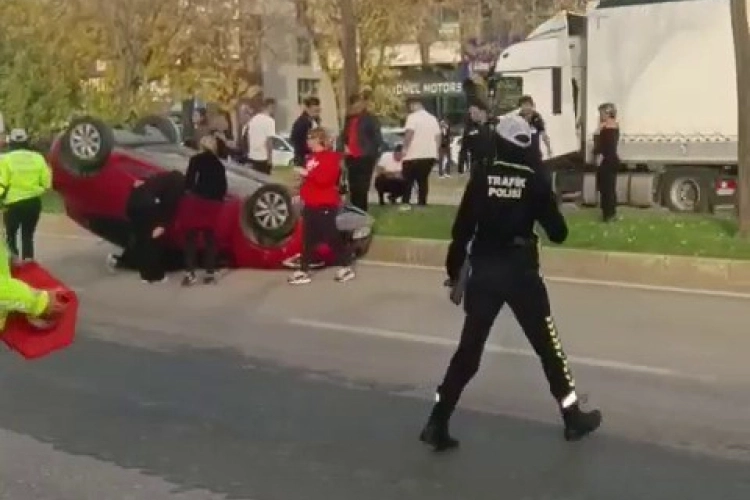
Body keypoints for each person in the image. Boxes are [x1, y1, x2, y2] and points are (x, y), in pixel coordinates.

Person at [420, 114, 602, 452]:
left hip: (485, 271)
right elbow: (559, 233)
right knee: (548, 346)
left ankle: (437, 421)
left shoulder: (481, 177)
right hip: (521, 274)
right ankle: (572, 416)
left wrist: (454, 268)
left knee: (468, 352)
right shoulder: (534, 180)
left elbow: (462, 229)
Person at [288, 127, 355, 285]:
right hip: (311, 203)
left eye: (311, 138)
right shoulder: (311, 158)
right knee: (308, 239)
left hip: (325, 204)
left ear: (320, 140)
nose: (308, 141)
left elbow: (326, 180)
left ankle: (346, 265)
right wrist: (299, 194)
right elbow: (309, 182)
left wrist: (307, 173)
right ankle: (303, 270)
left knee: (330, 237)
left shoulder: (331, 158)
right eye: (308, 138)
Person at [108, 170, 185, 283]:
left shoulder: (158, 179)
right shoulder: (178, 183)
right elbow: (169, 204)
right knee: (152, 241)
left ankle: (137, 269)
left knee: (141, 239)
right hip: (147, 205)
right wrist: (162, 225)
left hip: (132, 204)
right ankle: (154, 276)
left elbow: (137, 185)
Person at [182, 135, 228, 286]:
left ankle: (190, 273)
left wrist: (190, 192)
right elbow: (223, 187)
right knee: (210, 238)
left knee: (191, 237)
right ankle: (209, 273)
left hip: (198, 202)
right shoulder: (219, 164)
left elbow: (189, 182)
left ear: (201, 145)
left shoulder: (195, 160)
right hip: (214, 204)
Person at [0, 129, 52, 262]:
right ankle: (28, 262)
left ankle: (14, 262)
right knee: (28, 235)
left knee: (11, 235)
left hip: (12, 204)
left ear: (11, 142)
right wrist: (37, 190)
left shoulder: (5, 159)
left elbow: (2, 183)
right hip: (33, 203)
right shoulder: (38, 158)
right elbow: (47, 183)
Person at [340, 93, 382, 212]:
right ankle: (355, 211)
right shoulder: (349, 119)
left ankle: (362, 211)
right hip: (351, 157)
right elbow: (344, 136)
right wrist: (342, 150)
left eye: (358, 104)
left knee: (362, 186)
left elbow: (377, 138)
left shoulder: (370, 119)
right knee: (353, 186)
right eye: (354, 105)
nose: (356, 107)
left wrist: (372, 153)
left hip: (365, 157)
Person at [401, 98, 441, 210]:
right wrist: (436, 150)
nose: (409, 108)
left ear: (415, 105)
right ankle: (422, 202)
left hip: (413, 154)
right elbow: (438, 136)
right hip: (429, 154)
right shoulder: (432, 118)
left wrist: (404, 148)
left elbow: (409, 133)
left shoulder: (412, 117)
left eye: (410, 106)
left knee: (408, 180)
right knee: (423, 180)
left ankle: (406, 202)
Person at [593, 102, 620, 223]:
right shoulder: (612, 126)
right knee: (609, 188)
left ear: (608, 114)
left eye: (602, 113)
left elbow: (603, 146)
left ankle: (608, 215)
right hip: (611, 160)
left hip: (607, 161)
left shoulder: (608, 128)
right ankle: (611, 213)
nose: (600, 115)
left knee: (606, 189)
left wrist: (598, 132)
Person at [457, 102, 494, 177]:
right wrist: (460, 166)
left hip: (492, 165)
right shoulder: (469, 129)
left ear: (483, 112)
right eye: (470, 113)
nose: (472, 115)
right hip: (476, 165)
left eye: (474, 112)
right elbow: (464, 148)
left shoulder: (493, 126)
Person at [245, 98, 277, 174]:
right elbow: (269, 141)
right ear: (270, 107)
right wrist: (270, 159)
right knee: (264, 179)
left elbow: (248, 137)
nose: (274, 110)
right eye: (274, 108)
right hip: (263, 157)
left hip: (252, 156)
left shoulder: (253, 119)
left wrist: (250, 151)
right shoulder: (270, 121)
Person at [518, 95, 552, 164]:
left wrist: (548, 148)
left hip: (535, 154)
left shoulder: (537, 117)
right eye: (523, 105)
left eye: (527, 105)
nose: (526, 108)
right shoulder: (518, 118)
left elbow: (544, 135)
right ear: (520, 107)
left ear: (532, 105)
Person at [290, 96, 322, 166]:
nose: (317, 111)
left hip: (312, 155)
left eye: (318, 109)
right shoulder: (302, 122)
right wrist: (307, 150)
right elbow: (294, 139)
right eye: (314, 109)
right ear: (307, 108)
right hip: (304, 157)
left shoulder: (313, 121)